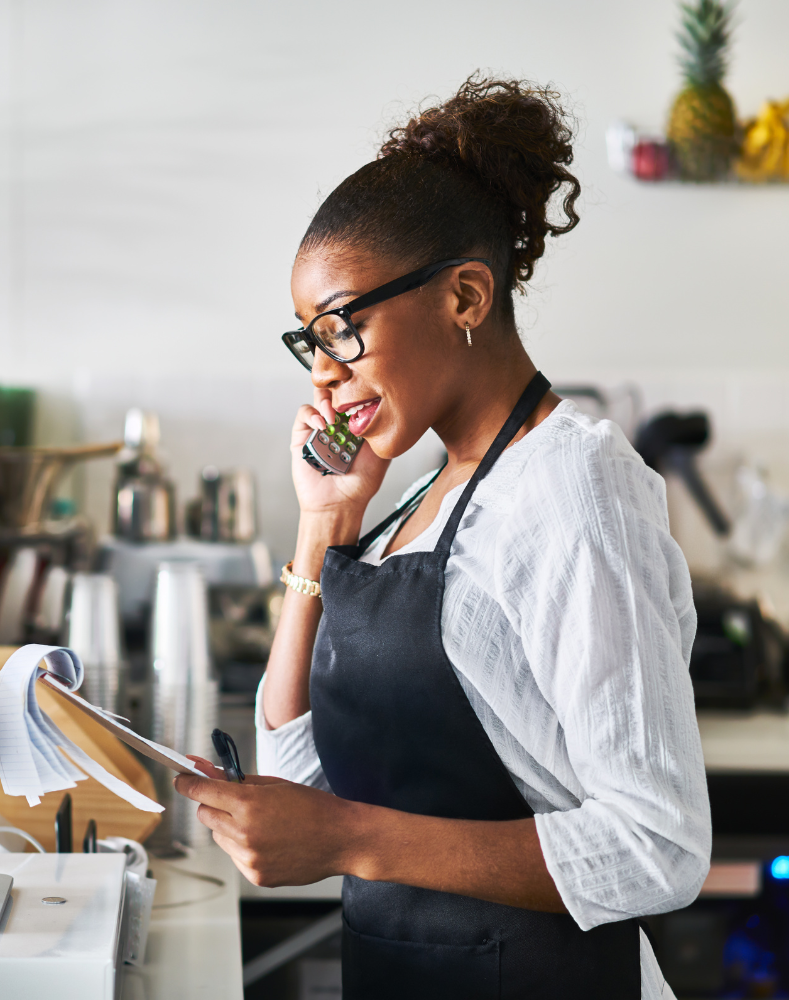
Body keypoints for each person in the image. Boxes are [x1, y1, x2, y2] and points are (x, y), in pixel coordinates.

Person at [176, 75, 710, 999]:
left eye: (343, 329)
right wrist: (323, 523)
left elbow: (658, 845)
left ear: (464, 296)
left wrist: (347, 840)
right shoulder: (417, 493)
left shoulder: (574, 484)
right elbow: (299, 767)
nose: (328, 376)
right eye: (310, 343)